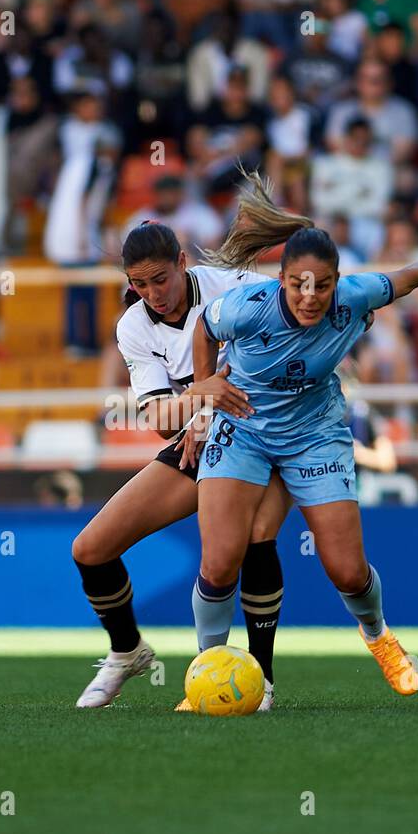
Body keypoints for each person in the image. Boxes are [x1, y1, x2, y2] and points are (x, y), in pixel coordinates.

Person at [184, 183, 418, 698]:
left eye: (321, 285)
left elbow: (405, 278)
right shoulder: (245, 306)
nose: (309, 296)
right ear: (280, 280)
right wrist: (205, 389)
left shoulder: (354, 297)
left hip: (315, 434)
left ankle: (379, 637)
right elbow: (204, 331)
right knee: (217, 562)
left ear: (337, 282)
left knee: (346, 570)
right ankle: (208, 674)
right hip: (245, 427)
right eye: (298, 284)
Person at [72, 217, 290, 712]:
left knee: (256, 536)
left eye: (161, 279)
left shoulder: (234, 286)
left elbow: (294, 331)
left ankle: (263, 678)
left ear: (183, 264)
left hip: (267, 432)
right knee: (91, 549)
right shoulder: (133, 326)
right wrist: (199, 399)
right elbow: (160, 420)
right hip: (198, 443)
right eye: (139, 284)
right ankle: (127, 651)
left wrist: (204, 410)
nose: (153, 293)